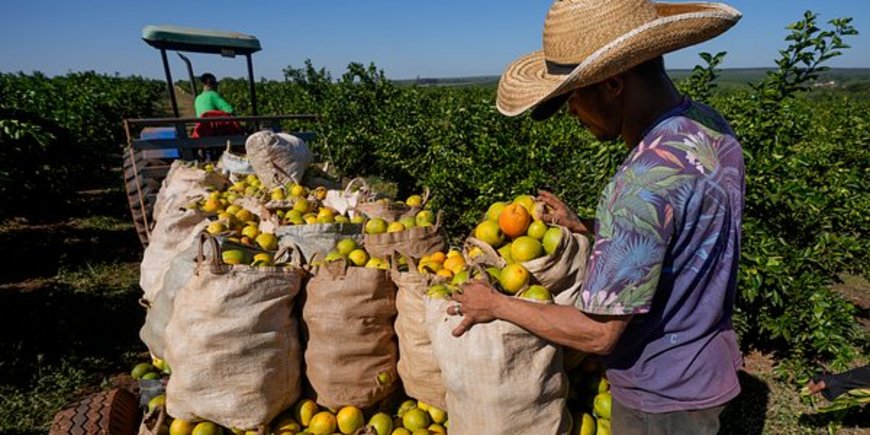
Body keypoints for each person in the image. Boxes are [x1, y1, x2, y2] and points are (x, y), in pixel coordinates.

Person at [448, 1, 744, 433]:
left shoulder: (637, 187)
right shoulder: (707, 128)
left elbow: (598, 334)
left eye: (573, 95)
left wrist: (495, 303)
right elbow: (679, 232)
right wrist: (589, 227)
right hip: (707, 366)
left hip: (659, 397)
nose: (571, 112)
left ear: (613, 83)